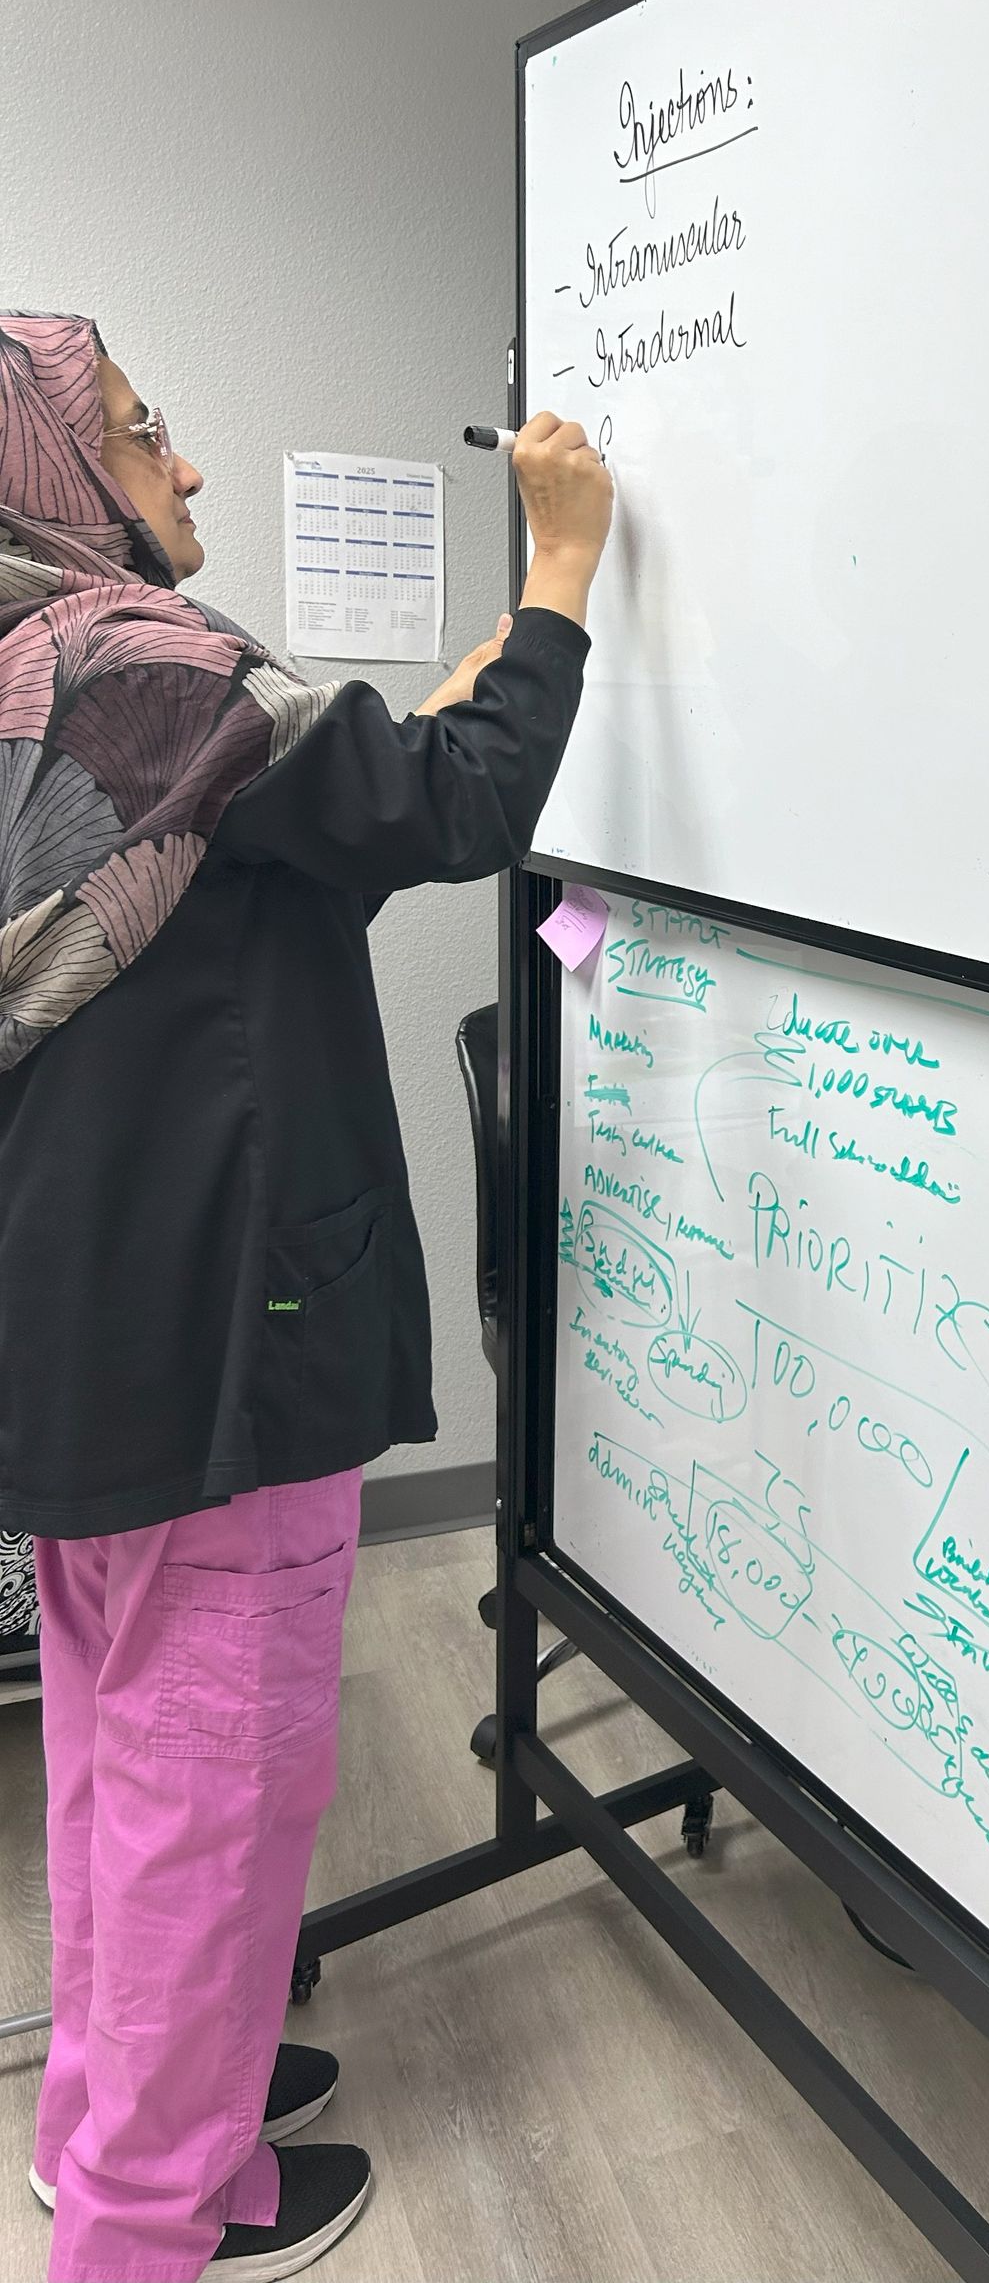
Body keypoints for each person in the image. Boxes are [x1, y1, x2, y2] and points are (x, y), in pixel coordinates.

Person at [0, 311, 613, 2283]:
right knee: (212, 1786)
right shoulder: (153, 676)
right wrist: (563, 565)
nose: (184, 475)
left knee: (121, 1764)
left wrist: (417, 729)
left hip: (97, 1343)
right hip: (218, 1356)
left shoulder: (45, 687)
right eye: (147, 438)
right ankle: (137, 2229)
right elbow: (450, 806)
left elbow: (281, 855)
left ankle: (119, 2128)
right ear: (57, 471)